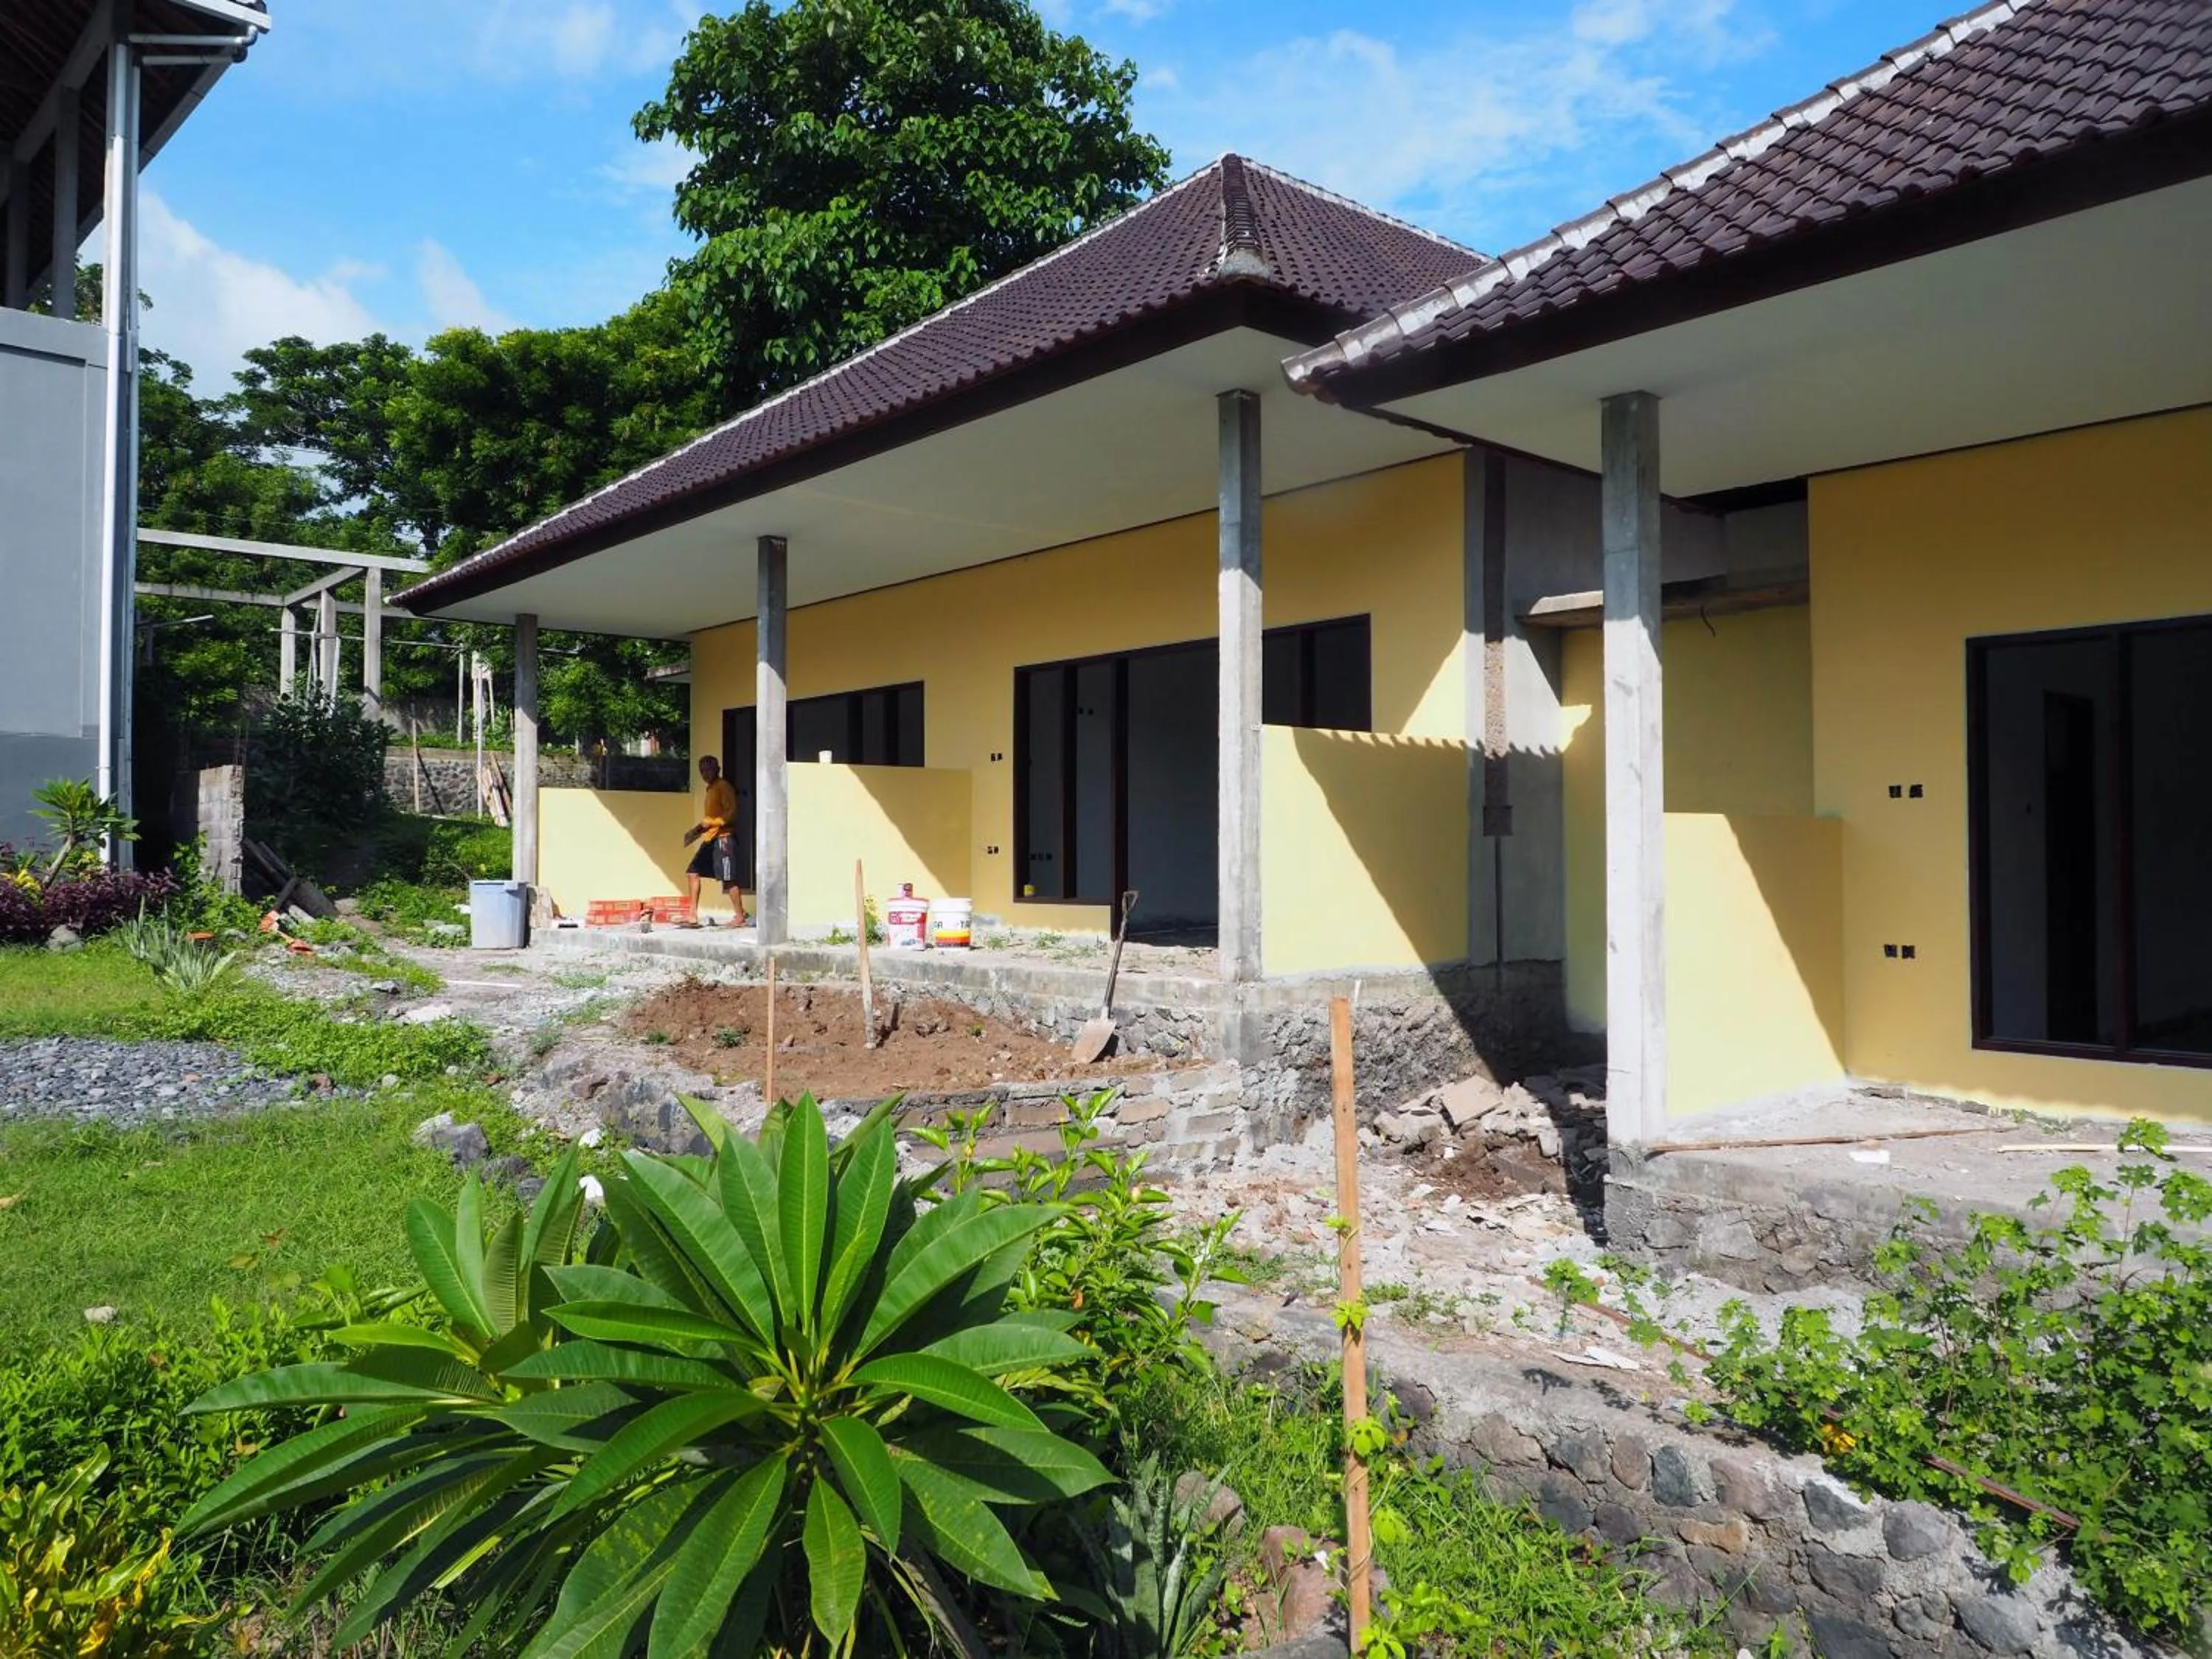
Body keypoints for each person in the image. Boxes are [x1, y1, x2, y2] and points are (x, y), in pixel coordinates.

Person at [682, 755, 748, 926]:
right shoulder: (710, 789)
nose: (705, 774)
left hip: (724, 839)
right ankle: (692, 915)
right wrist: (697, 831)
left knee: (729, 878)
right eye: (702, 771)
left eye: (709, 770)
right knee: (692, 872)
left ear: (717, 769)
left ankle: (740, 917)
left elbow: (731, 815)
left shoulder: (723, 787)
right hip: (710, 838)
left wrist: (711, 822)